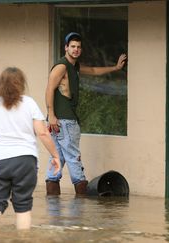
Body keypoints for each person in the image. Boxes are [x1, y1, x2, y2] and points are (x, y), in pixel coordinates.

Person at [0, 67, 61, 232]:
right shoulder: (29, 103)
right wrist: (55, 156)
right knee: (23, 205)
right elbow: (42, 132)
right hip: (25, 161)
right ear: (21, 84)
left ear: (0, 85)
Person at [45, 32, 127, 196]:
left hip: (60, 121)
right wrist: (51, 114)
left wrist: (116, 68)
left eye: (78, 47)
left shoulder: (74, 66)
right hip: (64, 120)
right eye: (72, 46)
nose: (76, 50)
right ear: (66, 48)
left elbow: (93, 70)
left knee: (57, 159)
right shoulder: (61, 66)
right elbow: (49, 89)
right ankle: (81, 205)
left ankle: (53, 209)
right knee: (74, 158)